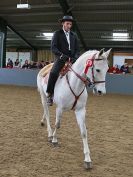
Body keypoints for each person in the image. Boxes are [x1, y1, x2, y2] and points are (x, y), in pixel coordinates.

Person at [46, 15, 80, 105]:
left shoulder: (74, 35)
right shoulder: (57, 33)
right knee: (53, 73)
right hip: (61, 58)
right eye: (67, 23)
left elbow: (77, 49)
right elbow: (53, 48)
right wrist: (61, 56)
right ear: (63, 23)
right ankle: (50, 94)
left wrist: (75, 57)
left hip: (72, 59)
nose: (69, 26)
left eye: (70, 24)